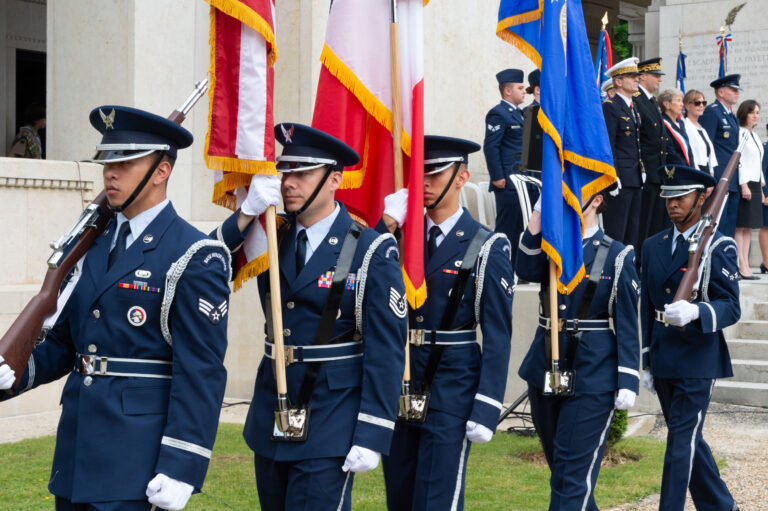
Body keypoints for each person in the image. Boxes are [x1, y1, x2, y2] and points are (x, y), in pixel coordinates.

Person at [0, 105, 231, 510]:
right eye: (108, 160)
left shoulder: (195, 254)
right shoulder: (93, 245)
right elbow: (66, 342)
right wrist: (17, 370)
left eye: (125, 162)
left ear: (161, 171)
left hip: (136, 463)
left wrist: (182, 464)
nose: (110, 172)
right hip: (76, 455)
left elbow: (202, 372)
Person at [216, 123, 407, 511]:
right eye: (285, 172)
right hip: (273, 410)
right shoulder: (268, 235)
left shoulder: (369, 250)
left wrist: (373, 429)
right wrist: (245, 214)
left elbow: (385, 349)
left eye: (303, 173)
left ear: (334, 179)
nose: (289, 183)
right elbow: (204, 268)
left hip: (331, 416)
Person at [377, 135, 514, 511]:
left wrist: (487, 406)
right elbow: (354, 282)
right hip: (401, 382)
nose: (423, 182)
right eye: (417, 173)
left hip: (452, 389)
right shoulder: (398, 238)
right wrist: (385, 224)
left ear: (462, 177)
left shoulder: (485, 245)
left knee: (437, 500)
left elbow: (498, 336)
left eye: (434, 173)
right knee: (400, 499)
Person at [517, 185, 640, 511]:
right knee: (565, 473)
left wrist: (628, 377)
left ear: (597, 200)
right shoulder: (551, 244)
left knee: (572, 477)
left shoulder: (617, 254)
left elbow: (627, 321)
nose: (565, 200)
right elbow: (525, 270)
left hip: (592, 372)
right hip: (544, 365)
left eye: (573, 194)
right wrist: (539, 215)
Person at [641, 164, 741, 511]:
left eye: (681, 197)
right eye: (668, 197)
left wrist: (698, 311)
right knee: (690, 440)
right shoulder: (653, 245)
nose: (673, 204)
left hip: (698, 356)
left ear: (702, 197)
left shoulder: (718, 245)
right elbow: (645, 306)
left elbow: (731, 306)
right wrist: (646, 358)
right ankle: (721, 506)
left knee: (679, 441)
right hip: (664, 353)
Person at [483, 68, 527, 269]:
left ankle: (514, 267)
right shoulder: (498, 113)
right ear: (507, 91)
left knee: (519, 227)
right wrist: (497, 177)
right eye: (520, 88)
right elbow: (491, 147)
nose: (524, 91)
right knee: (506, 228)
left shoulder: (519, 115)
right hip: (508, 182)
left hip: (521, 181)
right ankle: (498, 267)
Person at [602, 57, 644, 249]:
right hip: (620, 179)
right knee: (616, 231)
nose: (637, 79)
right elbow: (608, 145)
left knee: (632, 230)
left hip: (634, 177)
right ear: (618, 81)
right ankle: (611, 273)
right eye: (631, 76)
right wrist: (613, 175)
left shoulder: (631, 107)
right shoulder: (610, 107)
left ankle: (627, 271)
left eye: (637, 76)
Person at [700, 74, 742, 237]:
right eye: (733, 90)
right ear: (721, 92)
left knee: (729, 224)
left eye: (737, 90)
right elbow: (707, 146)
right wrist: (708, 177)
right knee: (716, 222)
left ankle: (724, 257)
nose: (737, 93)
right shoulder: (712, 112)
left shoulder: (732, 117)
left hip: (732, 177)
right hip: (719, 176)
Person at [636, 58, 670, 243]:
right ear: (643, 77)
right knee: (644, 223)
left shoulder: (651, 101)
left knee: (655, 224)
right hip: (645, 171)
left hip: (657, 171)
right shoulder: (637, 100)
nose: (659, 80)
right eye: (656, 76)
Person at [735, 100, 765, 280]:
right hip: (744, 184)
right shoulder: (740, 133)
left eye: (758, 112)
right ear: (744, 113)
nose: (756, 116)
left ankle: (745, 264)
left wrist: (761, 188)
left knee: (748, 228)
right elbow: (738, 160)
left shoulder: (753, 135)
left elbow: (757, 163)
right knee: (740, 227)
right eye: (752, 112)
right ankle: (741, 265)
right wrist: (743, 183)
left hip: (754, 184)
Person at [682, 90, 718, 178]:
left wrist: (711, 172)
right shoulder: (685, 127)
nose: (701, 105)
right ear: (687, 106)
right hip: (695, 172)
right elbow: (691, 154)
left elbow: (709, 154)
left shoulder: (702, 129)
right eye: (697, 103)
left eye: (703, 103)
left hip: (705, 171)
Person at [659, 89, 695, 166]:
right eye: (678, 101)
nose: (682, 104)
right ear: (666, 104)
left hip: (688, 168)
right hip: (676, 169)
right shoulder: (662, 123)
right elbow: (671, 152)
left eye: (682, 101)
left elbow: (688, 149)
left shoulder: (680, 123)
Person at [761, 123, 768, 274]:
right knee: (767, 227)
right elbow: (761, 172)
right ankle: (767, 262)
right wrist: (765, 193)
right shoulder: (766, 148)